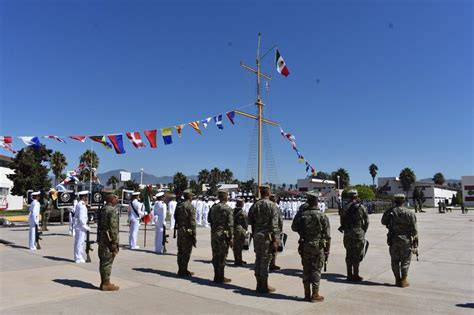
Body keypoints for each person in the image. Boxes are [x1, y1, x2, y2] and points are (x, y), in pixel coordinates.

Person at [292, 192, 330, 302]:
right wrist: (327, 251)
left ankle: (307, 294)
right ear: (317, 201)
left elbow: (294, 227)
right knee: (316, 270)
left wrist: (302, 231)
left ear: (308, 201)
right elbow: (327, 236)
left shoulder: (303, 214)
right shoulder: (322, 216)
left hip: (305, 245)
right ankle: (315, 294)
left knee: (306, 270)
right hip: (318, 246)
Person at [248, 185, 280, 293]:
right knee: (265, 261)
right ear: (268, 193)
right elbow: (274, 225)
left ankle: (258, 284)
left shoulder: (255, 205)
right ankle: (264, 285)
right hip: (267, 237)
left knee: (258, 259)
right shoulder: (272, 205)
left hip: (257, 236)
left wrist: (255, 232)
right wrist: (275, 240)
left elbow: (250, 221)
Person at [382, 194, 418, 287]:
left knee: (395, 260)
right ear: (404, 201)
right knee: (405, 260)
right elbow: (414, 230)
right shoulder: (409, 213)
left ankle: (397, 279)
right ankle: (404, 280)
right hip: (405, 240)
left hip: (393, 239)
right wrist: (415, 242)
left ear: (395, 201)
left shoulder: (390, 212)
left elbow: (383, 222)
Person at [339, 189, 369, 281]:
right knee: (357, 254)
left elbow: (342, 220)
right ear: (356, 196)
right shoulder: (361, 207)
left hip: (348, 232)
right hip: (358, 232)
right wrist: (363, 230)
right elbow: (366, 221)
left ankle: (349, 274)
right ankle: (356, 274)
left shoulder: (344, 207)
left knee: (349, 253)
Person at [208, 190, 234, 283]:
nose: (228, 198)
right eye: (227, 196)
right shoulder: (227, 209)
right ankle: (221, 276)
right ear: (224, 197)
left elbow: (209, 220)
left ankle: (216, 275)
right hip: (223, 235)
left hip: (214, 233)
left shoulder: (213, 207)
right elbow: (230, 224)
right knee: (222, 256)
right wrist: (230, 237)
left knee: (215, 255)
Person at [98, 191, 120, 291]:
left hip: (102, 238)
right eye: (116, 198)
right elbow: (113, 227)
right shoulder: (112, 210)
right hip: (109, 240)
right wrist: (114, 242)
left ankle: (104, 282)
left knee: (103, 261)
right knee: (107, 261)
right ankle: (106, 284)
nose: (117, 199)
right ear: (112, 199)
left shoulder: (103, 209)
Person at [174, 189, 197, 277]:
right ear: (189, 196)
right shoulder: (190, 206)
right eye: (192, 196)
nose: (192, 198)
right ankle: (183, 270)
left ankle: (181, 269)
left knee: (180, 250)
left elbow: (175, 217)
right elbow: (192, 222)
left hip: (180, 230)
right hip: (188, 231)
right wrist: (194, 234)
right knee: (187, 251)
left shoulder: (179, 205)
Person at [74, 191, 91, 263]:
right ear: (83, 197)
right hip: (81, 226)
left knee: (78, 242)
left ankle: (77, 256)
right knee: (80, 242)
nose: (87, 198)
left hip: (78, 226)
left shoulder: (79, 204)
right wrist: (85, 226)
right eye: (86, 196)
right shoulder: (82, 205)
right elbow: (81, 217)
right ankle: (78, 257)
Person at [269, 194, 282, 271]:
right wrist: (280, 229)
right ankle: (272, 264)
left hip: (264, 230)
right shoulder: (275, 207)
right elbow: (279, 220)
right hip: (274, 230)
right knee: (274, 248)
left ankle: (271, 263)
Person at [233, 198, 248, 266]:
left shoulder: (233, 210)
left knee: (235, 246)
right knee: (240, 246)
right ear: (241, 204)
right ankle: (239, 260)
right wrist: (246, 229)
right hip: (240, 230)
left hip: (234, 229)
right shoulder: (242, 212)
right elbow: (245, 222)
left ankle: (237, 259)